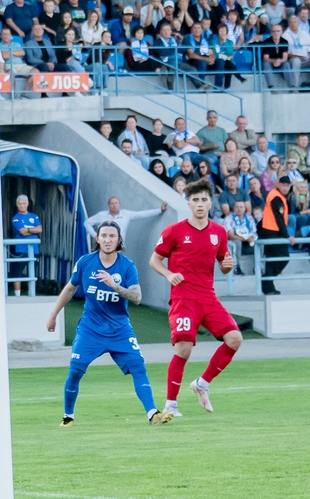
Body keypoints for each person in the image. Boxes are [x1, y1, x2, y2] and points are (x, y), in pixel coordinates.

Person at [46, 221, 160, 425]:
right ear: (97, 239)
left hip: (119, 329)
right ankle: (68, 416)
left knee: (138, 367)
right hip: (91, 329)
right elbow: (71, 288)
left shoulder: (127, 266)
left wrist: (114, 285)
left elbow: (137, 297)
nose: (108, 240)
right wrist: (54, 314)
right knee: (75, 371)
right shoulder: (85, 262)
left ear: (119, 240)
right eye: (104, 236)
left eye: (112, 236)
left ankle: (153, 413)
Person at [153, 179, 240, 418]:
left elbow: (223, 265)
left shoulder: (219, 232)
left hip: (208, 297)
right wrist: (169, 274)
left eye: (204, 200)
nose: (200, 204)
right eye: (195, 200)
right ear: (188, 203)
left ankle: (202, 383)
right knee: (184, 348)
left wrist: (228, 266)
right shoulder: (175, 231)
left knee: (234, 339)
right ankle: (171, 404)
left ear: (210, 202)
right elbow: (154, 260)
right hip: (183, 298)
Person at [8, 193, 41, 293]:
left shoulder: (34, 217)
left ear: (28, 204)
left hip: (34, 249)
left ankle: (32, 295)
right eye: (20, 204)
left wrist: (27, 230)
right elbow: (22, 232)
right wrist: (32, 229)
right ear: (17, 204)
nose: (22, 205)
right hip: (21, 250)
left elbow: (39, 229)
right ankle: (17, 296)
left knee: (32, 274)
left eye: (24, 203)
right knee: (18, 273)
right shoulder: (16, 218)